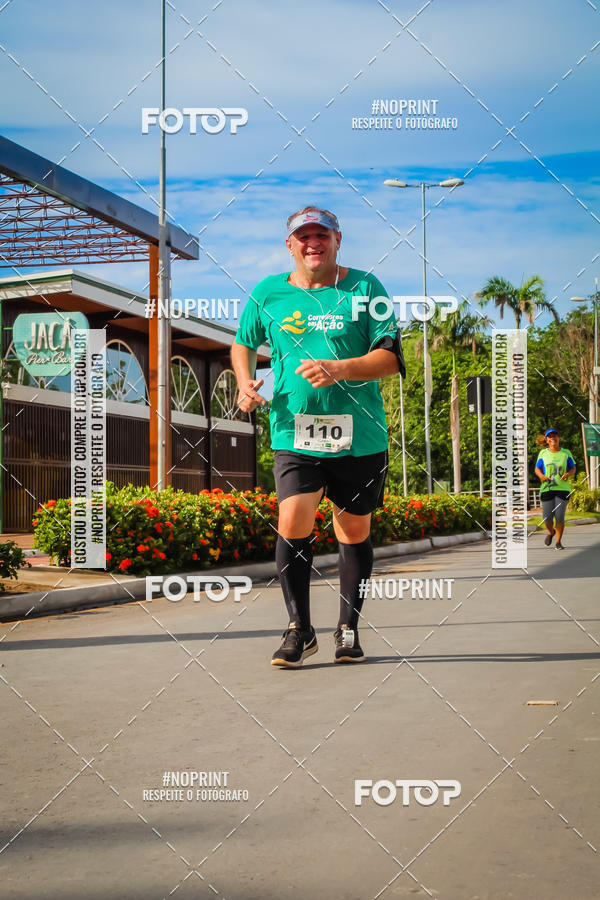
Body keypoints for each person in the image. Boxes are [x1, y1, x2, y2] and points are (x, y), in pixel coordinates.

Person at [231, 205, 404, 666]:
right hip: (293, 430)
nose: (313, 243)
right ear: (290, 244)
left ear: (338, 240)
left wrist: (340, 369)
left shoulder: (366, 288)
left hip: (360, 435)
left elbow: (390, 358)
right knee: (292, 521)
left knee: (353, 529)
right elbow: (242, 342)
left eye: (321, 235)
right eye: (303, 237)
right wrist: (245, 380)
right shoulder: (268, 292)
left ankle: (347, 628)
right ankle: (298, 629)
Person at [534, 428, 576, 550]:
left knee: (559, 516)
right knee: (547, 518)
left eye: (555, 436)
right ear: (547, 440)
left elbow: (572, 468)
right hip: (547, 488)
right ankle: (551, 532)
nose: (553, 438)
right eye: (550, 437)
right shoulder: (543, 454)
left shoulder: (566, 453)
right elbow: (537, 469)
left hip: (563, 488)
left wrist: (568, 474)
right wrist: (541, 476)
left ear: (558, 438)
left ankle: (558, 542)